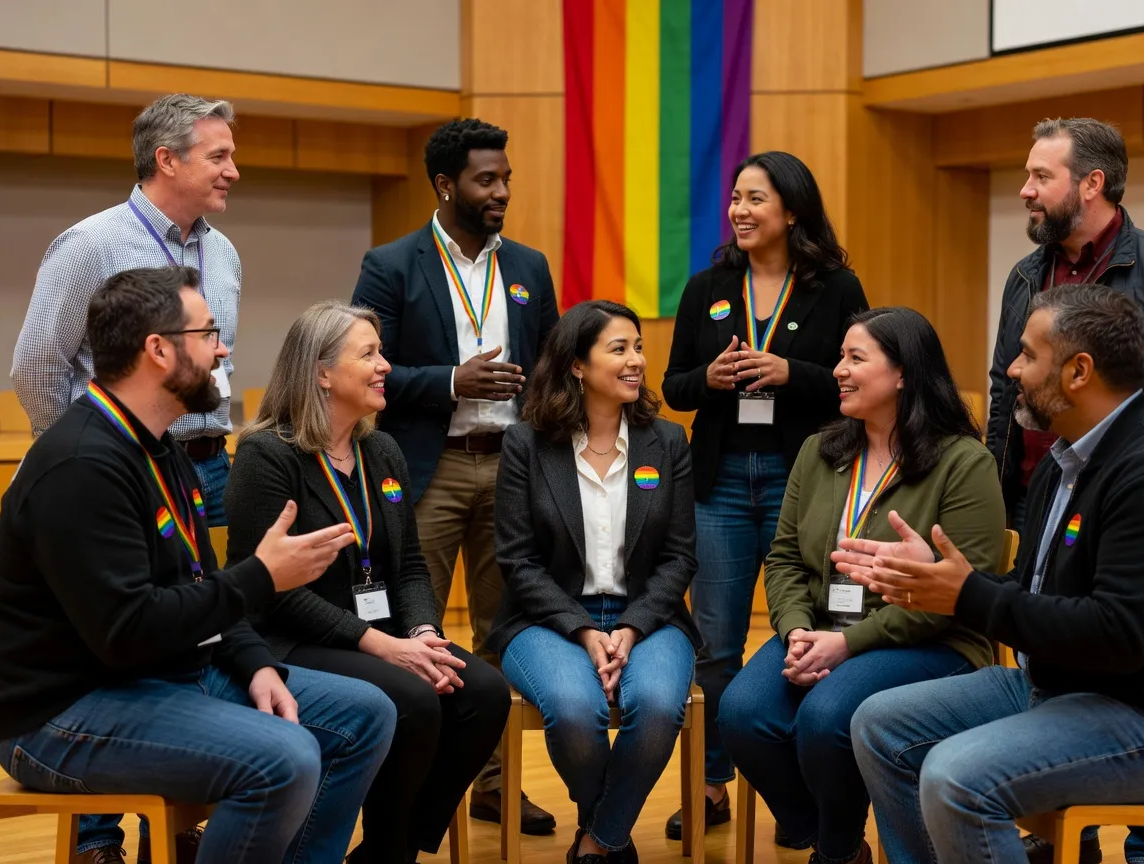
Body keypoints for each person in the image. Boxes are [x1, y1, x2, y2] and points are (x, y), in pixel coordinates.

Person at [0, 266, 397, 864]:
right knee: (283, 760)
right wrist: (262, 576)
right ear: (158, 350)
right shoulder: (81, 466)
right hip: (61, 710)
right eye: (208, 333)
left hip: (162, 674)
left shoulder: (161, 446)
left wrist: (256, 663)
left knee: (367, 713)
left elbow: (200, 587)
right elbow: (128, 631)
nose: (223, 348)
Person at [845, 284, 1144, 864]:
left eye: (1028, 354)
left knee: (955, 778)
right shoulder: (1065, 461)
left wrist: (967, 596)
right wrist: (947, 583)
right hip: (1068, 688)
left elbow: (1118, 636)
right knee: (877, 723)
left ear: (1078, 371)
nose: (1012, 369)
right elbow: (1032, 592)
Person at [985, 117, 1144, 864]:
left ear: (1091, 184)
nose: (1025, 191)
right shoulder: (1026, 276)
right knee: (1056, 671)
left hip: (1132, 515)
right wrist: (1003, 496)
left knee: (1138, 670)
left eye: (1040, 177)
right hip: (1040, 499)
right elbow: (1006, 396)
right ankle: (1070, 837)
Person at [9, 92, 245, 864]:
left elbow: (218, 367)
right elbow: (38, 365)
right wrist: (97, 462)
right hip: (114, 473)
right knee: (108, 636)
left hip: (206, 468)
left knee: (195, 632)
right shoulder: (89, 243)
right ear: (166, 159)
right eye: (218, 155)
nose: (233, 171)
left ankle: (182, 814)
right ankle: (99, 839)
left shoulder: (226, 253)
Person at [225, 301, 511, 864]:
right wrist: (384, 646)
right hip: (295, 637)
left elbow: (406, 567)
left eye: (381, 352)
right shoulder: (267, 455)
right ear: (322, 373)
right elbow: (273, 591)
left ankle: (392, 849)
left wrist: (424, 631)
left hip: (382, 634)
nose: (385, 366)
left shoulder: (381, 449)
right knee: (412, 699)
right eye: (369, 354)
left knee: (480, 690)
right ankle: (389, 852)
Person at [716, 308, 1004, 864]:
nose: (837, 371)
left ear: (903, 374)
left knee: (826, 717)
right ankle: (838, 842)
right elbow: (783, 559)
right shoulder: (818, 452)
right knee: (742, 713)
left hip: (928, 641)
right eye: (839, 357)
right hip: (822, 631)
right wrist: (797, 629)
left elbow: (964, 589)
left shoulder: (964, 463)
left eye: (855, 358)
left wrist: (848, 643)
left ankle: (833, 850)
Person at [351, 117, 559, 833]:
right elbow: (366, 368)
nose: (501, 190)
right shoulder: (392, 264)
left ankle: (497, 782)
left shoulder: (528, 267)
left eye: (505, 177)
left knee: (507, 629)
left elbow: (555, 367)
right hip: (427, 470)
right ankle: (413, 781)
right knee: (420, 629)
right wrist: (451, 380)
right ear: (445, 185)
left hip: (511, 469)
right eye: (485, 180)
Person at [661, 150, 868, 843]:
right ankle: (712, 783)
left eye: (756, 199)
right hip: (718, 480)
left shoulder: (837, 288)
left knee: (805, 627)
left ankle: (798, 779)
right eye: (735, 198)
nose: (740, 211)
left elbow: (855, 382)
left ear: (792, 210)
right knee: (715, 643)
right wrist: (711, 380)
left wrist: (790, 371)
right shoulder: (709, 287)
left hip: (800, 480)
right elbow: (672, 387)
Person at [490, 300, 700, 863]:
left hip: (649, 617)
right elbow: (517, 562)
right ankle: (612, 835)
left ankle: (598, 839)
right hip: (546, 620)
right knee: (573, 708)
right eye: (619, 349)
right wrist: (584, 630)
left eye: (638, 347)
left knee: (657, 705)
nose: (636, 360)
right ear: (577, 366)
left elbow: (679, 559)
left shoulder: (669, 443)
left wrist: (630, 627)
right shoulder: (525, 445)